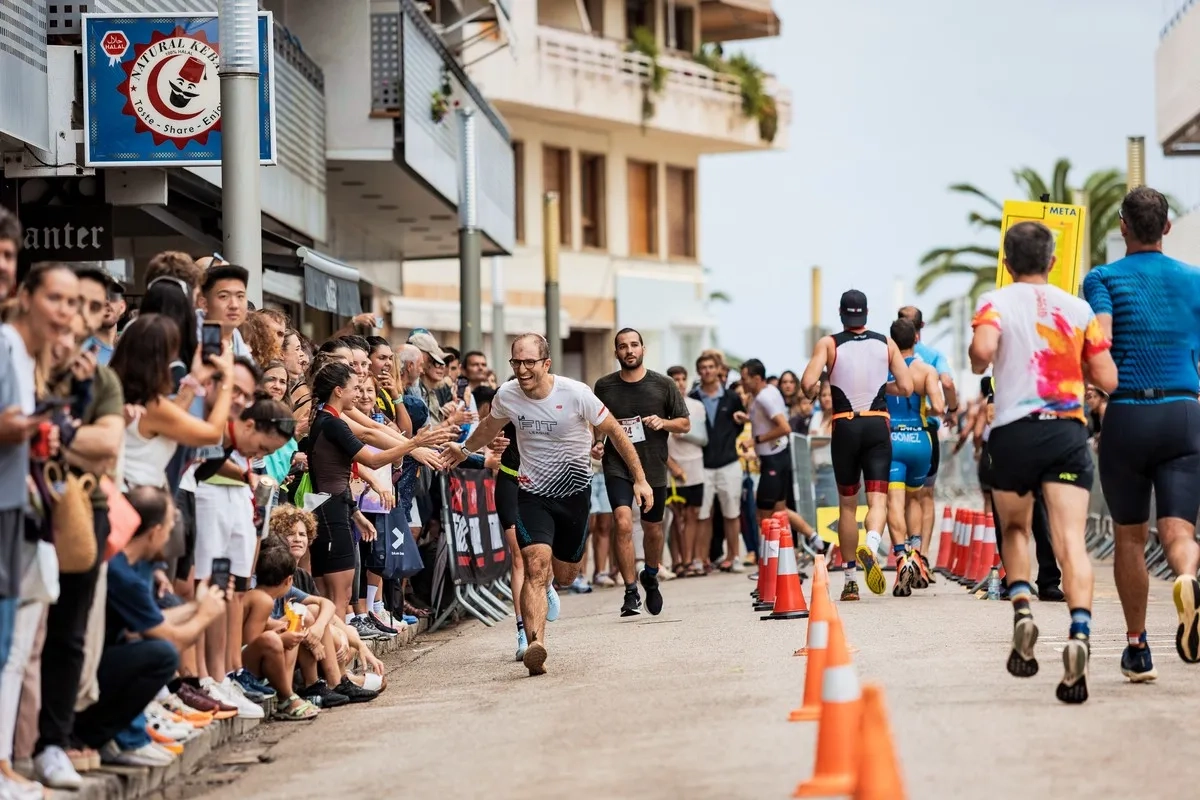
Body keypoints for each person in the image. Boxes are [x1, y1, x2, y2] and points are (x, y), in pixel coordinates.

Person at [440, 334, 650, 676]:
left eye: (528, 363)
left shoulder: (576, 393)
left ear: (546, 363)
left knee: (565, 575)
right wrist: (464, 450)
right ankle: (535, 644)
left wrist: (639, 478)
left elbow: (616, 432)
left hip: (574, 495)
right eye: (515, 363)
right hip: (532, 493)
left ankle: (553, 580)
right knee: (534, 565)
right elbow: (489, 426)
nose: (521, 370)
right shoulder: (507, 394)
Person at [971, 220, 1116, 704]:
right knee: (1071, 538)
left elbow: (982, 353)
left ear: (1008, 263)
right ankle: (1078, 633)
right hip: (1067, 432)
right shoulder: (1078, 310)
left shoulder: (995, 302)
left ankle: (1023, 612)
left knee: (1015, 530)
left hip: (1013, 433)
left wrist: (980, 356)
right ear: (1052, 261)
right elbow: (1107, 377)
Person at [1081, 186, 1200, 680]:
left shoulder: (1102, 278)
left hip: (1128, 412)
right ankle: (1189, 579)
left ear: (1123, 227)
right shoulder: (1194, 280)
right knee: (1179, 530)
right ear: (1167, 228)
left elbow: (1101, 338)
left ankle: (1137, 649)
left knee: (1130, 539)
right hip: (1183, 412)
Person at [74, 486, 228, 766]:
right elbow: (171, 640)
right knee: (162, 656)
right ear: (155, 531)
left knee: (157, 643)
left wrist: (196, 607)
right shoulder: (124, 575)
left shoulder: (126, 564)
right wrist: (205, 616)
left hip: (96, 666)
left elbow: (154, 623)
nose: (171, 534)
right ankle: (97, 737)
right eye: (170, 526)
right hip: (85, 679)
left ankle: (119, 737)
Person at [800, 289, 912, 601]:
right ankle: (872, 545)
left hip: (845, 424)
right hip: (877, 423)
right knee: (878, 501)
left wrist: (816, 390)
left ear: (841, 313)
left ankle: (850, 580)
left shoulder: (829, 343)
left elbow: (808, 384)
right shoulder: (885, 342)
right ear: (866, 312)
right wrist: (881, 385)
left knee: (847, 505)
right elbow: (907, 386)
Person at [593, 329, 690, 617]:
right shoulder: (604, 387)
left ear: (643, 349)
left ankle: (650, 573)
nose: (629, 350)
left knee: (653, 529)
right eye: (623, 346)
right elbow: (598, 422)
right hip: (617, 465)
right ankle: (630, 590)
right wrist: (598, 443)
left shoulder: (663, 384)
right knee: (622, 522)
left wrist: (663, 423)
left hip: (653, 466)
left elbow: (684, 424)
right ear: (616, 353)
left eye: (634, 345)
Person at [883, 318, 943, 597]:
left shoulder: (883, 371)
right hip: (920, 439)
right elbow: (939, 407)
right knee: (916, 498)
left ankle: (901, 557)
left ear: (892, 342)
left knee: (893, 501)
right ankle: (917, 552)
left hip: (892, 439)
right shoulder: (926, 370)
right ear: (917, 339)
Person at [897, 306, 958, 555]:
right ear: (919, 330)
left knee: (896, 496)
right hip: (924, 433)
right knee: (925, 496)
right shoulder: (932, 356)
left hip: (892, 433)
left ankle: (901, 553)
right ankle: (921, 555)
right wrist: (951, 410)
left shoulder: (889, 356)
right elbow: (947, 382)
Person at [688, 352, 747, 573]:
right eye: (703, 367)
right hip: (702, 464)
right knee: (703, 514)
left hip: (729, 462)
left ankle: (734, 556)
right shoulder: (693, 398)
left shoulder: (731, 398)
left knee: (732, 513)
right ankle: (701, 559)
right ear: (699, 371)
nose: (707, 371)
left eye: (711, 367)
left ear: (718, 369)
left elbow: (739, 424)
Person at [666, 366, 709, 577]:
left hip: (695, 466)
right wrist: (671, 466)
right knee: (676, 516)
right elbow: (660, 443)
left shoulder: (697, 406)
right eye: (675, 379)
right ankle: (678, 561)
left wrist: (684, 433)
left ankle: (691, 559)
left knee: (692, 514)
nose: (680, 383)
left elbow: (703, 438)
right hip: (673, 468)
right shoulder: (662, 406)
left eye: (683, 379)